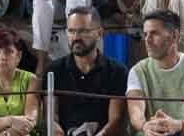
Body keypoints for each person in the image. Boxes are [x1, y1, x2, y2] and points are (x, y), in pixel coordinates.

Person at [127, 10, 184, 135]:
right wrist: (146, 126)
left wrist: (177, 125)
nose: (147, 40)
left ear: (174, 36)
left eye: (154, 33)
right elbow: (136, 113)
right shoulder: (137, 71)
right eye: (145, 34)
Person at [48, 7, 130, 136]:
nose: (76, 37)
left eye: (83, 31)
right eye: (71, 31)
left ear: (99, 33)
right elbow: (51, 118)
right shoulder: (54, 70)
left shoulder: (117, 71)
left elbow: (115, 120)